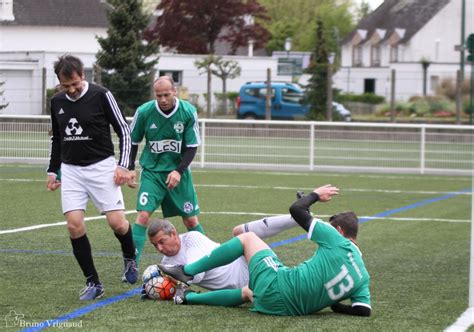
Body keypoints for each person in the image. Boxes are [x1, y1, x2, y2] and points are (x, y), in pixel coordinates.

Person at [159, 184, 372, 317]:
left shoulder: (337, 240)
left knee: (246, 238)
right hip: (285, 309)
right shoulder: (363, 277)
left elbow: (295, 209)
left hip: (277, 287)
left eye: (330, 224)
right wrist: (335, 306)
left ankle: (187, 270)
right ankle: (187, 298)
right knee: (247, 292)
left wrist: (315, 194)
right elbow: (363, 310)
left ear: (339, 230)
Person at [46, 55, 138, 301]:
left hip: (102, 167)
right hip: (72, 170)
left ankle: (130, 256)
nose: (72, 89)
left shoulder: (101, 95)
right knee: (74, 225)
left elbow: (124, 130)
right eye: (66, 86)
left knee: (118, 223)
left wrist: (124, 165)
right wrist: (53, 170)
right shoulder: (56, 102)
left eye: (75, 83)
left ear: (82, 76)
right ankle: (93, 282)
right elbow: (57, 138)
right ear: (59, 83)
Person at [129, 76, 204, 267]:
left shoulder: (187, 111)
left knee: (189, 219)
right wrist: (130, 168)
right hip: (152, 172)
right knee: (143, 215)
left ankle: (208, 256)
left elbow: (192, 146)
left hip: (178, 173)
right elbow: (133, 141)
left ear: (175, 92)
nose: (162, 99)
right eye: (158, 95)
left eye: (166, 95)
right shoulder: (144, 112)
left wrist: (179, 171)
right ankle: (131, 264)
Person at [142, 218, 251, 306]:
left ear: (173, 234)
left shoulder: (192, 238)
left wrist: (166, 275)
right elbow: (180, 289)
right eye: (155, 245)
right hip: (234, 293)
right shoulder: (166, 263)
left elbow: (197, 275)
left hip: (249, 271)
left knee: (243, 235)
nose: (160, 248)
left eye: (162, 241)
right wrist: (155, 288)